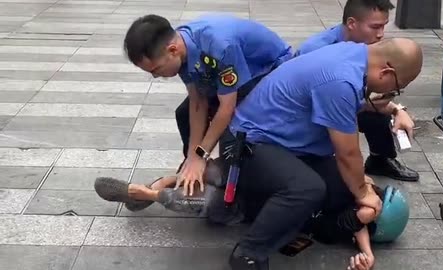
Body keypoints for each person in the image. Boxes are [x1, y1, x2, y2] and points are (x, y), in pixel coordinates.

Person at [225, 37, 422, 270]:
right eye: (398, 87)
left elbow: (358, 105)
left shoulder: (354, 56)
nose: (394, 92)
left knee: (342, 186)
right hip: (248, 144)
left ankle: (293, 219)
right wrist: (363, 191)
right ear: (386, 72)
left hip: (287, 145)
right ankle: (248, 252)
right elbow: (348, 153)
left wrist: (396, 109)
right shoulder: (341, 79)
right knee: (307, 188)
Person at [94, 160, 410, 270]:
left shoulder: (346, 205)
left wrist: (367, 250)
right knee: (210, 199)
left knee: (210, 184)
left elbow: (355, 226)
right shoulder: (340, 209)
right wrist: (366, 234)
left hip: (253, 178)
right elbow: (354, 224)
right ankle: (153, 191)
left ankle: (158, 186)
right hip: (251, 197)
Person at [123, 14, 293, 197]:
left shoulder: (219, 46)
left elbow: (227, 108)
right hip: (237, 72)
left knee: (232, 132)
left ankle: (220, 181)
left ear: (173, 50)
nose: (155, 76)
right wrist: (193, 155)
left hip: (270, 73)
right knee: (183, 114)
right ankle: (190, 173)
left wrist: (200, 154)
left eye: (155, 69)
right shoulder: (181, 48)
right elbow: (197, 103)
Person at [295, 0, 419, 182]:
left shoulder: (365, 46)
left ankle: (380, 159)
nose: (380, 35)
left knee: (378, 103)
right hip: (305, 117)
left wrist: (397, 110)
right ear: (352, 23)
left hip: (336, 103)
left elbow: (365, 95)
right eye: (375, 27)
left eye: (384, 26)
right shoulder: (318, 50)